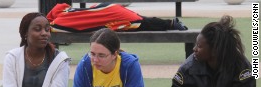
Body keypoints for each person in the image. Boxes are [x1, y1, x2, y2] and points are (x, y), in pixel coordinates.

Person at [47, 3, 187, 33]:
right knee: (140, 20)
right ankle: (171, 23)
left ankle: (171, 24)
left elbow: (57, 28)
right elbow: (59, 6)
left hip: (110, 15)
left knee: (141, 22)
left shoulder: (58, 21)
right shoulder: (61, 11)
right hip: (108, 10)